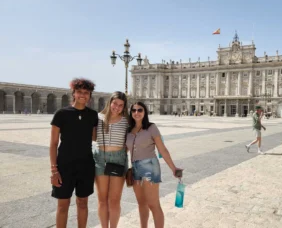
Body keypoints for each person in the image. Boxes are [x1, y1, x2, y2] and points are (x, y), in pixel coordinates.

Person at [49, 78, 98, 228]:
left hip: (86, 166)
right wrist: (54, 170)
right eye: (79, 92)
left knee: (82, 203)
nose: (82, 95)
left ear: (90, 95)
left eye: (86, 92)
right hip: (64, 166)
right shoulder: (61, 114)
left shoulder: (93, 115)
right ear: (74, 93)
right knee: (63, 205)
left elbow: (95, 137)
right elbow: (53, 144)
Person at [126, 102, 182, 228]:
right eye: (134, 110)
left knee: (153, 204)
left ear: (144, 112)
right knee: (141, 203)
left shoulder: (151, 127)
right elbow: (125, 150)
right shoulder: (129, 130)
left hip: (149, 167)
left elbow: (162, 149)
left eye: (140, 110)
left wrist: (173, 168)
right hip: (135, 168)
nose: (136, 112)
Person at [93, 91, 129, 228]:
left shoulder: (126, 120)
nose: (117, 107)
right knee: (102, 199)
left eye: (121, 105)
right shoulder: (98, 118)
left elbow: (131, 140)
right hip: (100, 158)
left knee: (114, 200)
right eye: (115, 103)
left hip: (118, 159)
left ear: (124, 107)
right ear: (110, 102)